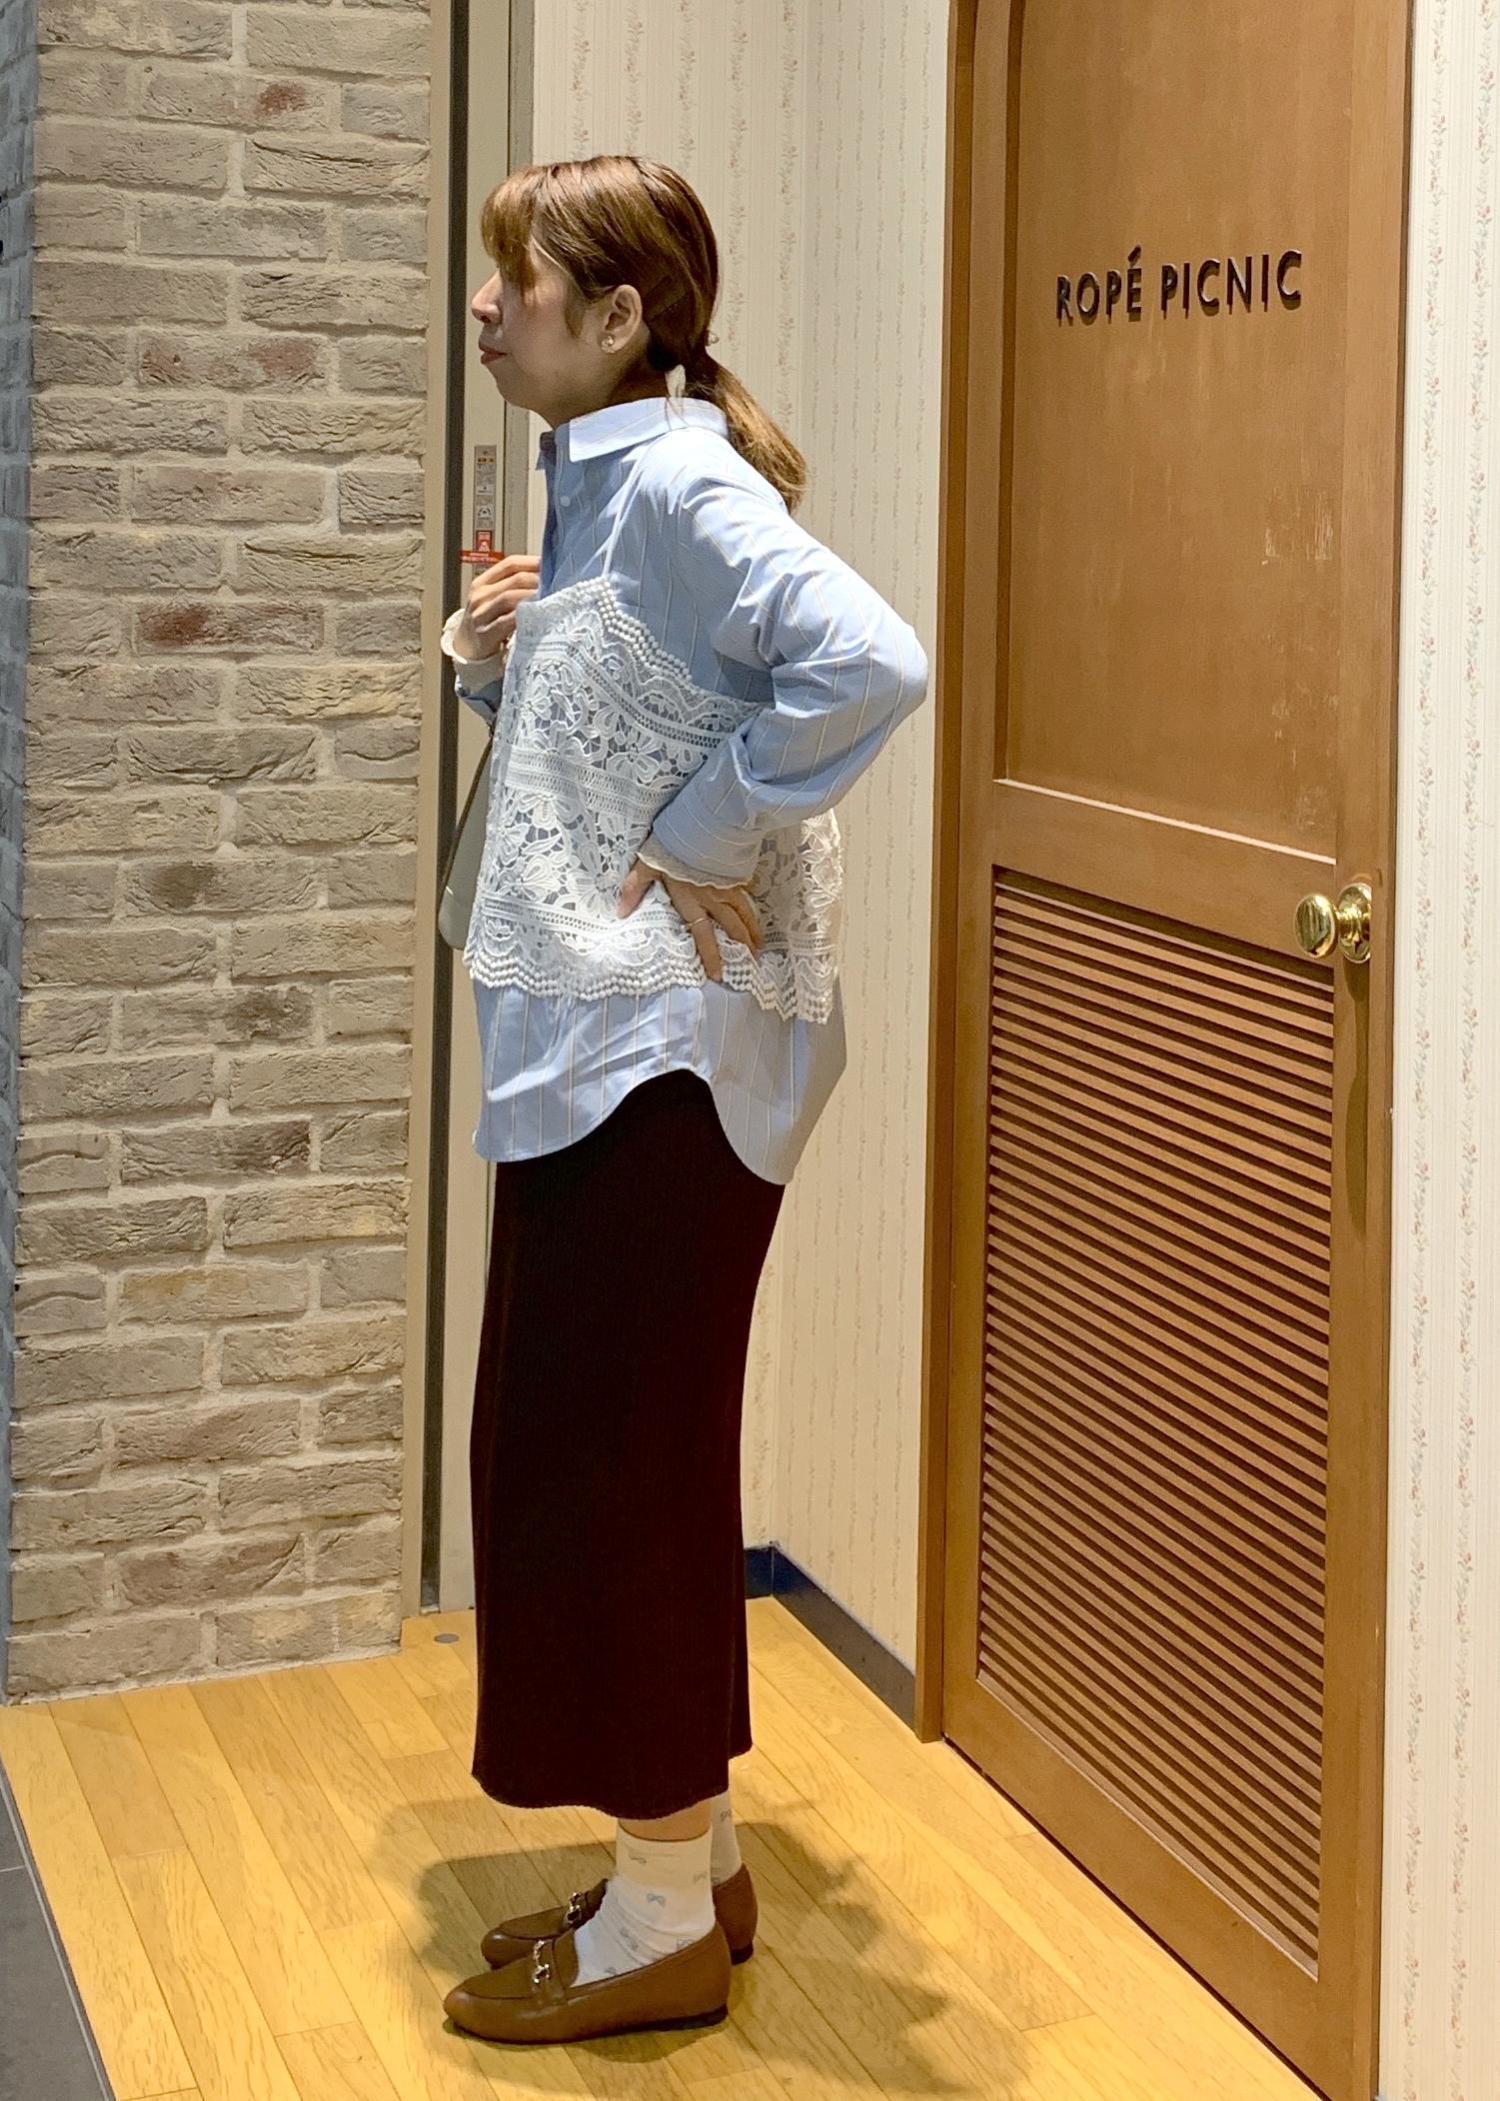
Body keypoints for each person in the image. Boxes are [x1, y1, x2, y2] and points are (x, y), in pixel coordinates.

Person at [437, 154, 929, 2047]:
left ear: (621, 315)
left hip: (656, 1062)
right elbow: (615, 753)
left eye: (519, 278)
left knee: (606, 1467)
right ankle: (687, 1864)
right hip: (618, 1053)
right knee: (614, 1452)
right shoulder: (608, 486)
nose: (487, 308)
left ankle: (656, 1918)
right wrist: (496, 671)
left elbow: (868, 660)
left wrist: (713, 830)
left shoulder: (677, 485)